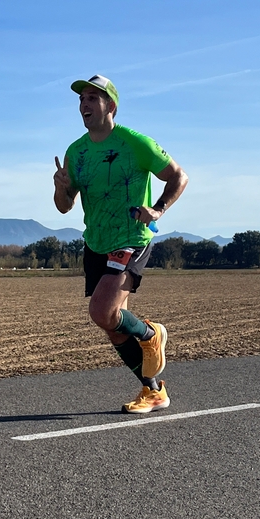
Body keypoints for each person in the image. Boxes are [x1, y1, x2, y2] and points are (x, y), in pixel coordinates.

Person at [54, 75, 188, 413]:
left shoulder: (135, 142)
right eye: (81, 99)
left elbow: (178, 176)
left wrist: (158, 209)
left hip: (131, 237)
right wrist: (60, 187)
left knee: (102, 311)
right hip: (96, 242)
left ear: (111, 106)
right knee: (112, 323)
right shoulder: (76, 152)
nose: (84, 105)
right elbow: (64, 206)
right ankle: (154, 391)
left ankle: (151, 334)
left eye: (92, 98)